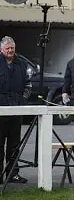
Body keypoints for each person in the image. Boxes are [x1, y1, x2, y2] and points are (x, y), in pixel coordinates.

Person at [0, 36, 31, 184]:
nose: (10, 50)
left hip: (16, 111)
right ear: (1, 49)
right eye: (7, 48)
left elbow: (28, 86)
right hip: (1, 112)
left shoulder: (22, 64)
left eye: (12, 47)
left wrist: (22, 100)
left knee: (14, 146)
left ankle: (13, 174)